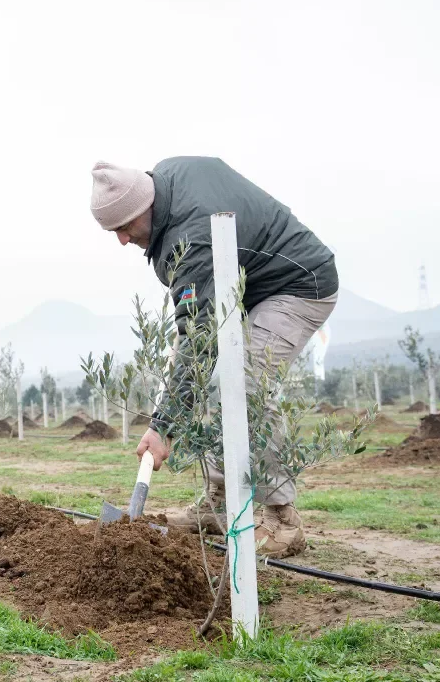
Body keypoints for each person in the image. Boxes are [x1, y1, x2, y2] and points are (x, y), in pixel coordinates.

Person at [89, 158, 338, 558]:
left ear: (144, 207)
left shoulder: (193, 239)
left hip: (298, 283)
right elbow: (197, 333)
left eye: (123, 228)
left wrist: (163, 427)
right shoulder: (164, 184)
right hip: (245, 290)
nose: (121, 240)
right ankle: (219, 503)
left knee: (243, 381)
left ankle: (283, 519)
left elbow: (198, 340)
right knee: (211, 376)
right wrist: (164, 417)